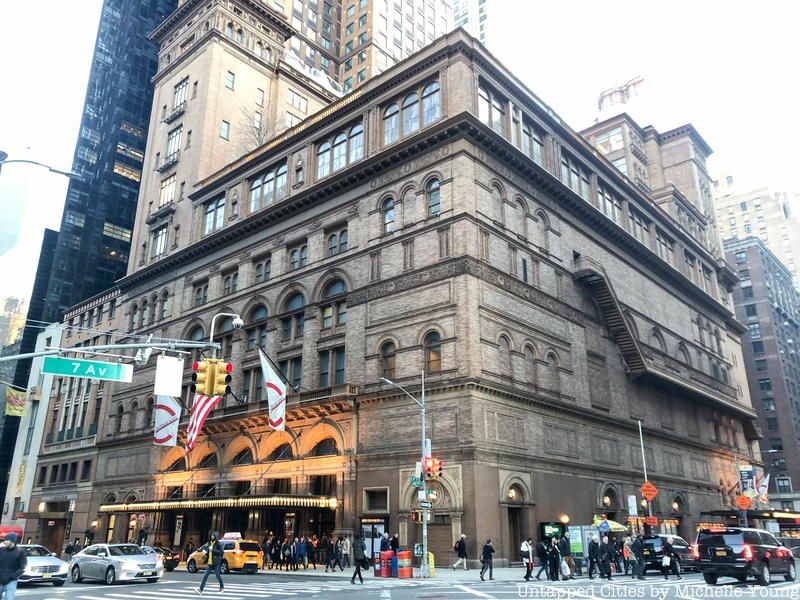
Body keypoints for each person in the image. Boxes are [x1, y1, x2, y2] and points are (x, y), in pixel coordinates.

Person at [0, 533, 26, 600]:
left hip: (11, 581)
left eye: (6, 540)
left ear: (12, 541)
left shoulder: (20, 552)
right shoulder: (1, 550)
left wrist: (12, 577)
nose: (4, 542)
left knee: (9, 598)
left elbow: (23, 568)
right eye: (4, 540)